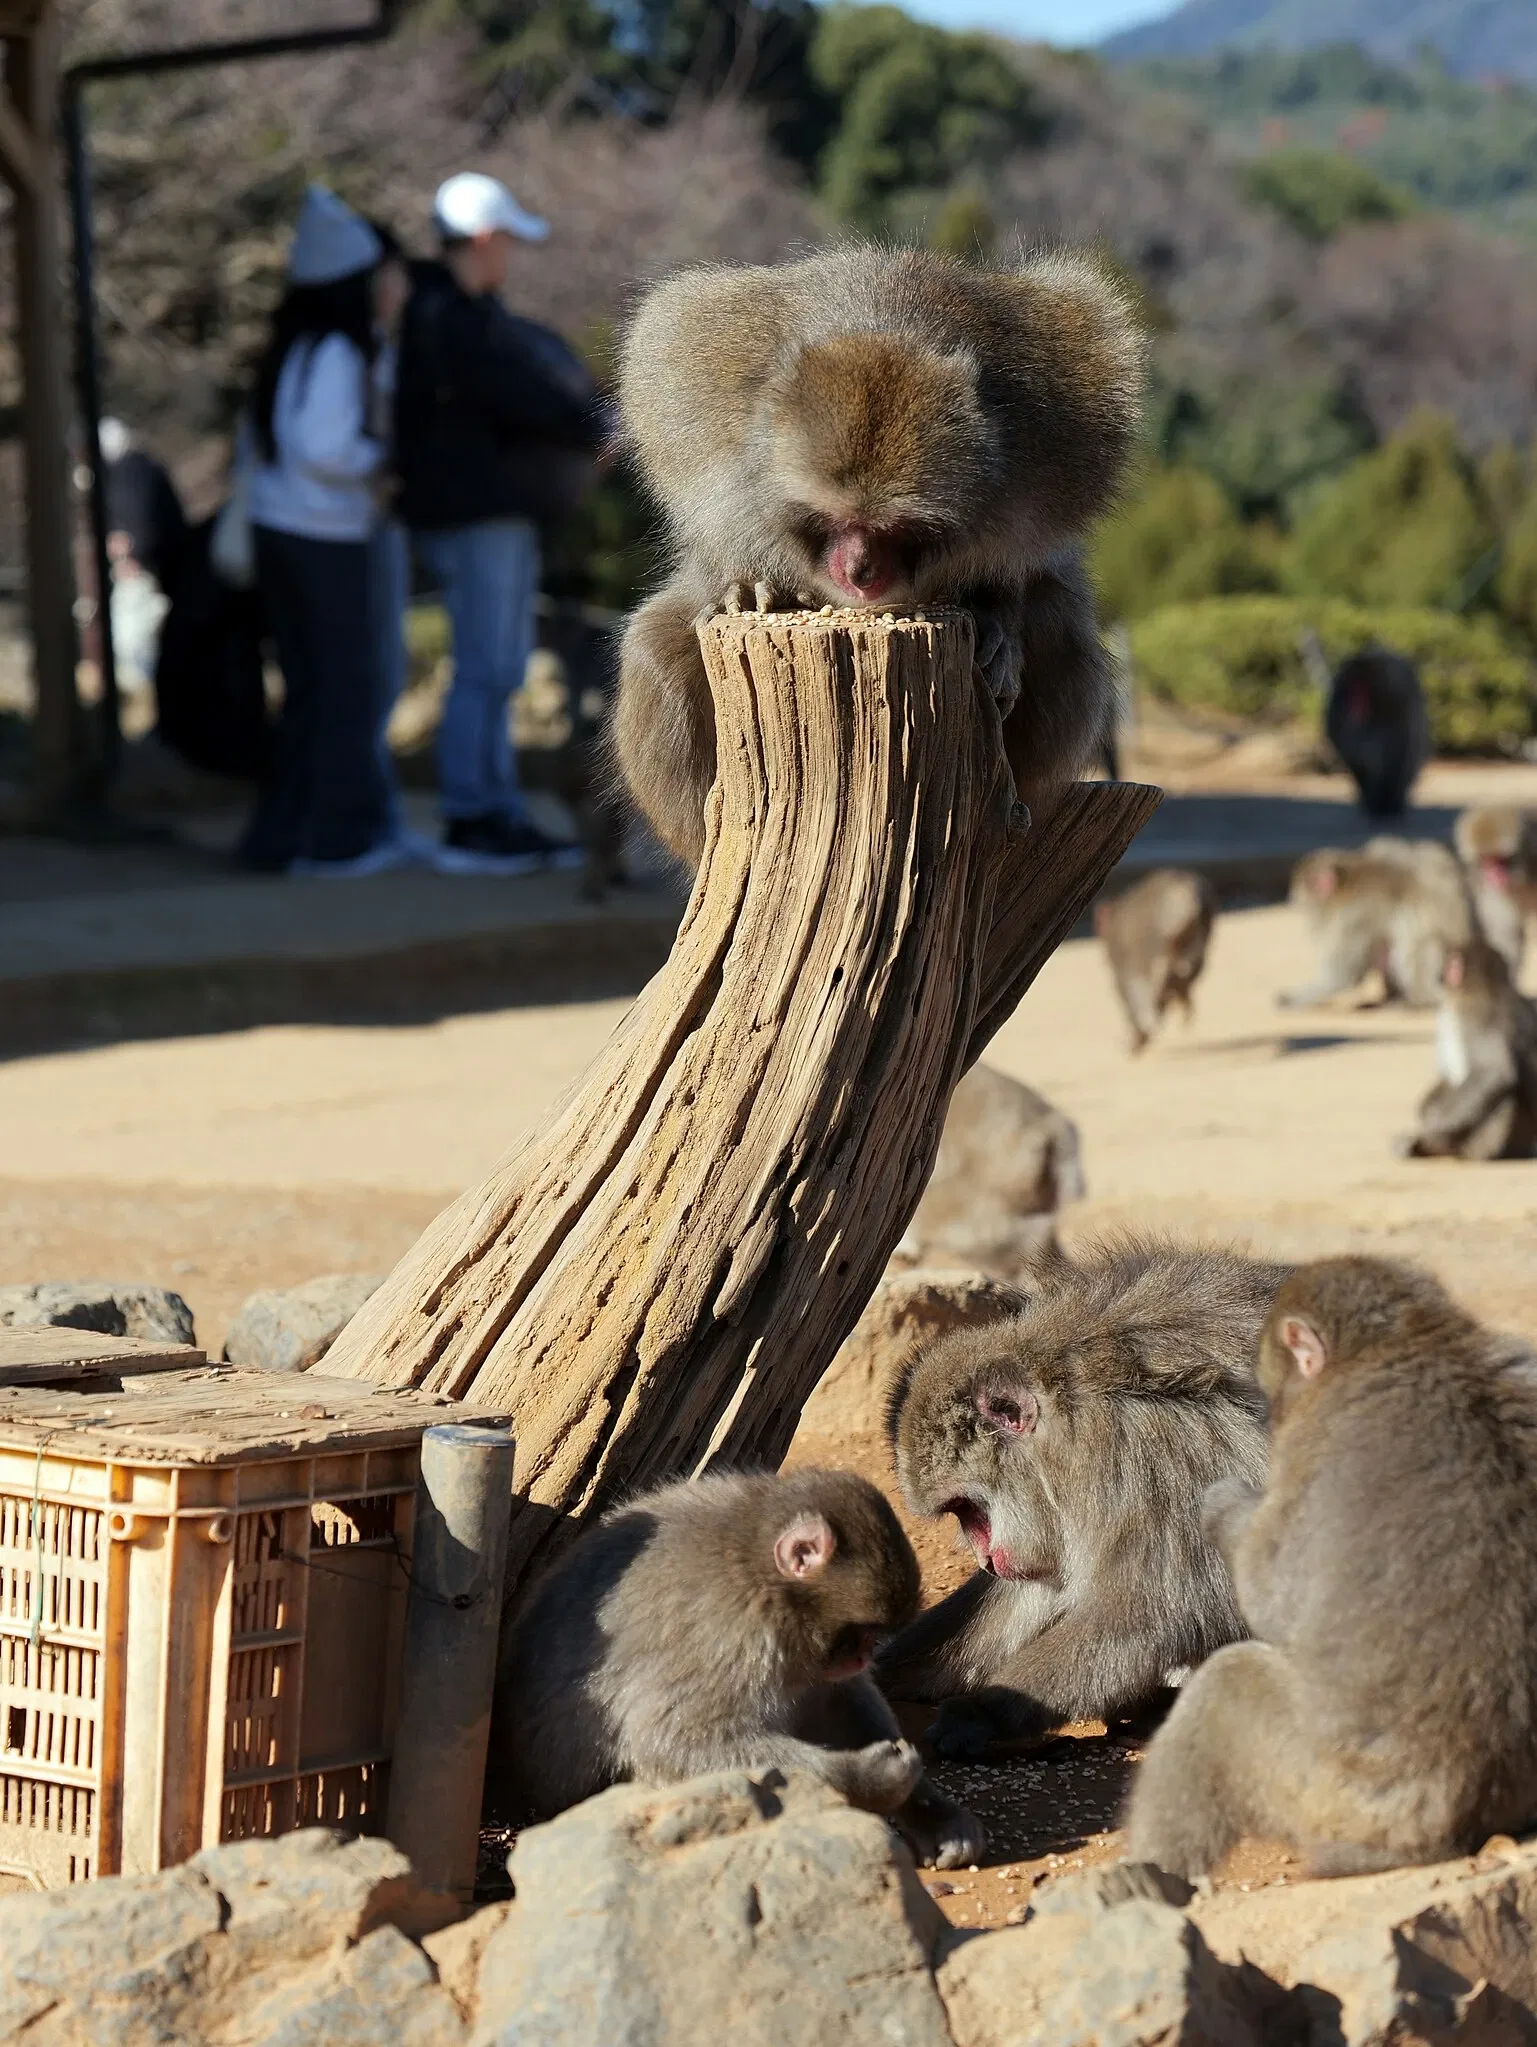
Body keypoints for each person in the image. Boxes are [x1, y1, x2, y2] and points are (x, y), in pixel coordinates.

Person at [395, 171, 606, 869]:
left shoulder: (441, 313)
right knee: (488, 665)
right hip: (477, 513)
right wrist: (590, 424)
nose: (508, 257)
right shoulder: (453, 320)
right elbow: (520, 395)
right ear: (484, 239)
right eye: (506, 241)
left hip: (481, 512)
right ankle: (474, 813)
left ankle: (495, 808)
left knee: (496, 664)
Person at [241, 184, 406, 875]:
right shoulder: (339, 351)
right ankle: (336, 840)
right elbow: (323, 447)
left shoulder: (296, 345)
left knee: (310, 691)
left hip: (281, 530)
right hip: (322, 536)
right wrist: (381, 464)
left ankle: (282, 837)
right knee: (343, 688)